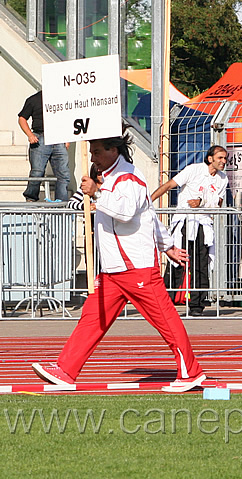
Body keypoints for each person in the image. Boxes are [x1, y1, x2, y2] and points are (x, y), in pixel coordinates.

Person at [31, 130, 206, 392]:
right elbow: (150, 217)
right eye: (91, 151)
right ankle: (66, 370)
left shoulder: (130, 177)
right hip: (112, 270)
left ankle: (190, 373)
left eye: (97, 151)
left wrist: (98, 194)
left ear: (114, 150)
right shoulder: (110, 177)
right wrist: (168, 245)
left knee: (165, 320)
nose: (93, 156)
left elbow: (127, 213)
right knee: (92, 318)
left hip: (136, 267)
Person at [151, 145, 228, 316]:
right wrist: (149, 201)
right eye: (220, 158)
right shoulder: (194, 170)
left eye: (225, 158)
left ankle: (197, 305)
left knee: (201, 264)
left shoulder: (223, 179)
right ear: (210, 159)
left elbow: (218, 204)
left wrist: (203, 203)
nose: (223, 161)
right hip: (185, 221)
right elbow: (170, 184)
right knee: (179, 260)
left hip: (203, 223)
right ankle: (163, 302)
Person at [18, 91, 71, 202]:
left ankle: (62, 202)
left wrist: (67, 138)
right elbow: (22, 118)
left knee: (63, 173)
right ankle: (31, 199)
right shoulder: (34, 99)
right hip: (40, 138)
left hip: (58, 138)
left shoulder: (61, 98)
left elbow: (67, 118)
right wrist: (30, 135)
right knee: (37, 172)